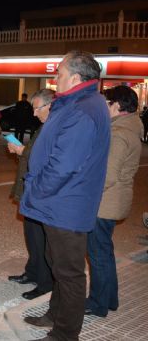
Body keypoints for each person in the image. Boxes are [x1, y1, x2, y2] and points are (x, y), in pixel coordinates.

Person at [21, 50, 110, 341]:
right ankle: (54, 316)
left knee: (69, 272)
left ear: (74, 78)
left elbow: (63, 165)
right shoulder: (77, 102)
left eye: (58, 73)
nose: (54, 78)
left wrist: (36, 191)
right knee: (57, 263)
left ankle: (65, 333)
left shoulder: (83, 109)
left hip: (65, 204)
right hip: (59, 203)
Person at [85, 86, 142, 318]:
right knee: (104, 253)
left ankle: (98, 303)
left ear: (117, 105)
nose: (104, 107)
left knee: (98, 254)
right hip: (113, 200)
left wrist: (85, 194)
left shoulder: (119, 134)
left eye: (107, 103)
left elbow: (106, 175)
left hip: (105, 202)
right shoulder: (128, 129)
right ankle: (109, 299)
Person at [6, 89, 55, 300]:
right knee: (32, 235)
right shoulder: (44, 127)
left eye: (37, 108)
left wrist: (21, 152)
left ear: (50, 106)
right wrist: (24, 151)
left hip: (40, 192)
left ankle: (45, 284)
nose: (34, 113)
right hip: (31, 190)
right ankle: (33, 272)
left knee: (41, 239)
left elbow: (45, 159)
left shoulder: (54, 129)